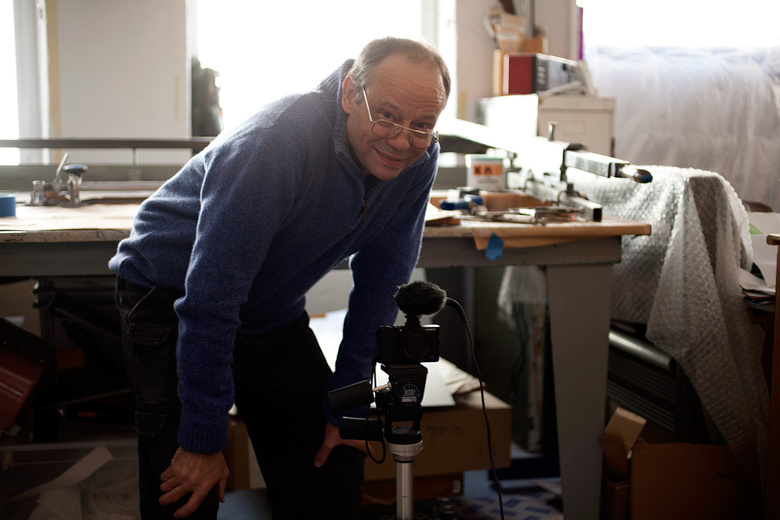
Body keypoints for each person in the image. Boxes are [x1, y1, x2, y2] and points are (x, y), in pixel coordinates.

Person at [110, 36, 450, 519]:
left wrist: (349, 405)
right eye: (387, 116)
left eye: (422, 125)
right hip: (171, 297)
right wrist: (203, 438)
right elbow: (210, 297)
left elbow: (383, 284)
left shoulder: (417, 160)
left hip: (270, 310)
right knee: (187, 489)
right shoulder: (275, 143)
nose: (401, 140)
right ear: (350, 94)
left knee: (333, 466)